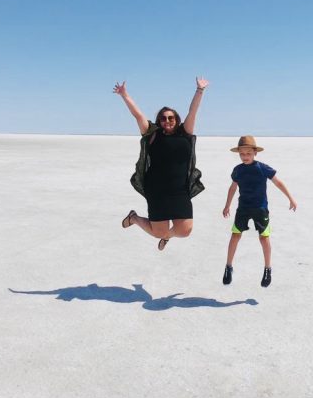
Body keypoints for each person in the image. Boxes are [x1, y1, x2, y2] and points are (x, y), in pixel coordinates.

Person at [115, 78, 208, 250]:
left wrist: (199, 90)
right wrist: (124, 95)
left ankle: (168, 236)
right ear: (159, 120)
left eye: (171, 118)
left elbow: (193, 111)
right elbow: (138, 115)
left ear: (176, 119)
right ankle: (134, 218)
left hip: (180, 190)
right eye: (163, 118)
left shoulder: (185, 132)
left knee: (185, 229)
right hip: (157, 189)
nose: (168, 121)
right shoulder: (152, 134)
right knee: (158, 231)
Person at [221, 135, 296, 287]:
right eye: (242, 154)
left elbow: (278, 182)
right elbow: (233, 188)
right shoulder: (238, 170)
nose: (245, 156)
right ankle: (228, 267)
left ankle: (268, 268)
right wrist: (227, 205)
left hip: (260, 209)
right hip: (243, 208)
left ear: (255, 153)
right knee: (235, 235)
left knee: (263, 237)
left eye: (248, 153)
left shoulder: (262, 168)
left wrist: (290, 198)